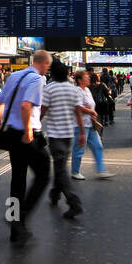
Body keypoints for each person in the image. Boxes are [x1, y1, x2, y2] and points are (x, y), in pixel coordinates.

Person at [0, 50, 52, 244]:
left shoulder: (14, 76)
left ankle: (15, 226)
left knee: (17, 180)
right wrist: (28, 131)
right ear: (43, 63)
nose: (47, 69)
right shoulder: (37, 79)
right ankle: (21, 218)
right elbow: (26, 106)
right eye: (47, 66)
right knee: (44, 174)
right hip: (27, 136)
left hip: (11, 133)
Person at [42, 61, 85, 220]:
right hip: (68, 135)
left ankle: (74, 203)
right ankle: (55, 193)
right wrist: (81, 133)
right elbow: (78, 112)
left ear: (52, 74)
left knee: (60, 168)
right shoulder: (73, 90)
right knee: (60, 166)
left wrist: (33, 126)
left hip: (55, 136)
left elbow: (42, 110)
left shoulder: (49, 89)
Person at [71, 70, 114, 180]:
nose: (89, 78)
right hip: (80, 124)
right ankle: (75, 171)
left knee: (98, 146)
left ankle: (101, 170)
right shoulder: (77, 91)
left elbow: (90, 105)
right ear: (80, 80)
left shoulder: (87, 90)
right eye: (86, 77)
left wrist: (92, 113)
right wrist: (91, 112)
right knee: (79, 148)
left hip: (90, 124)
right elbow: (78, 107)